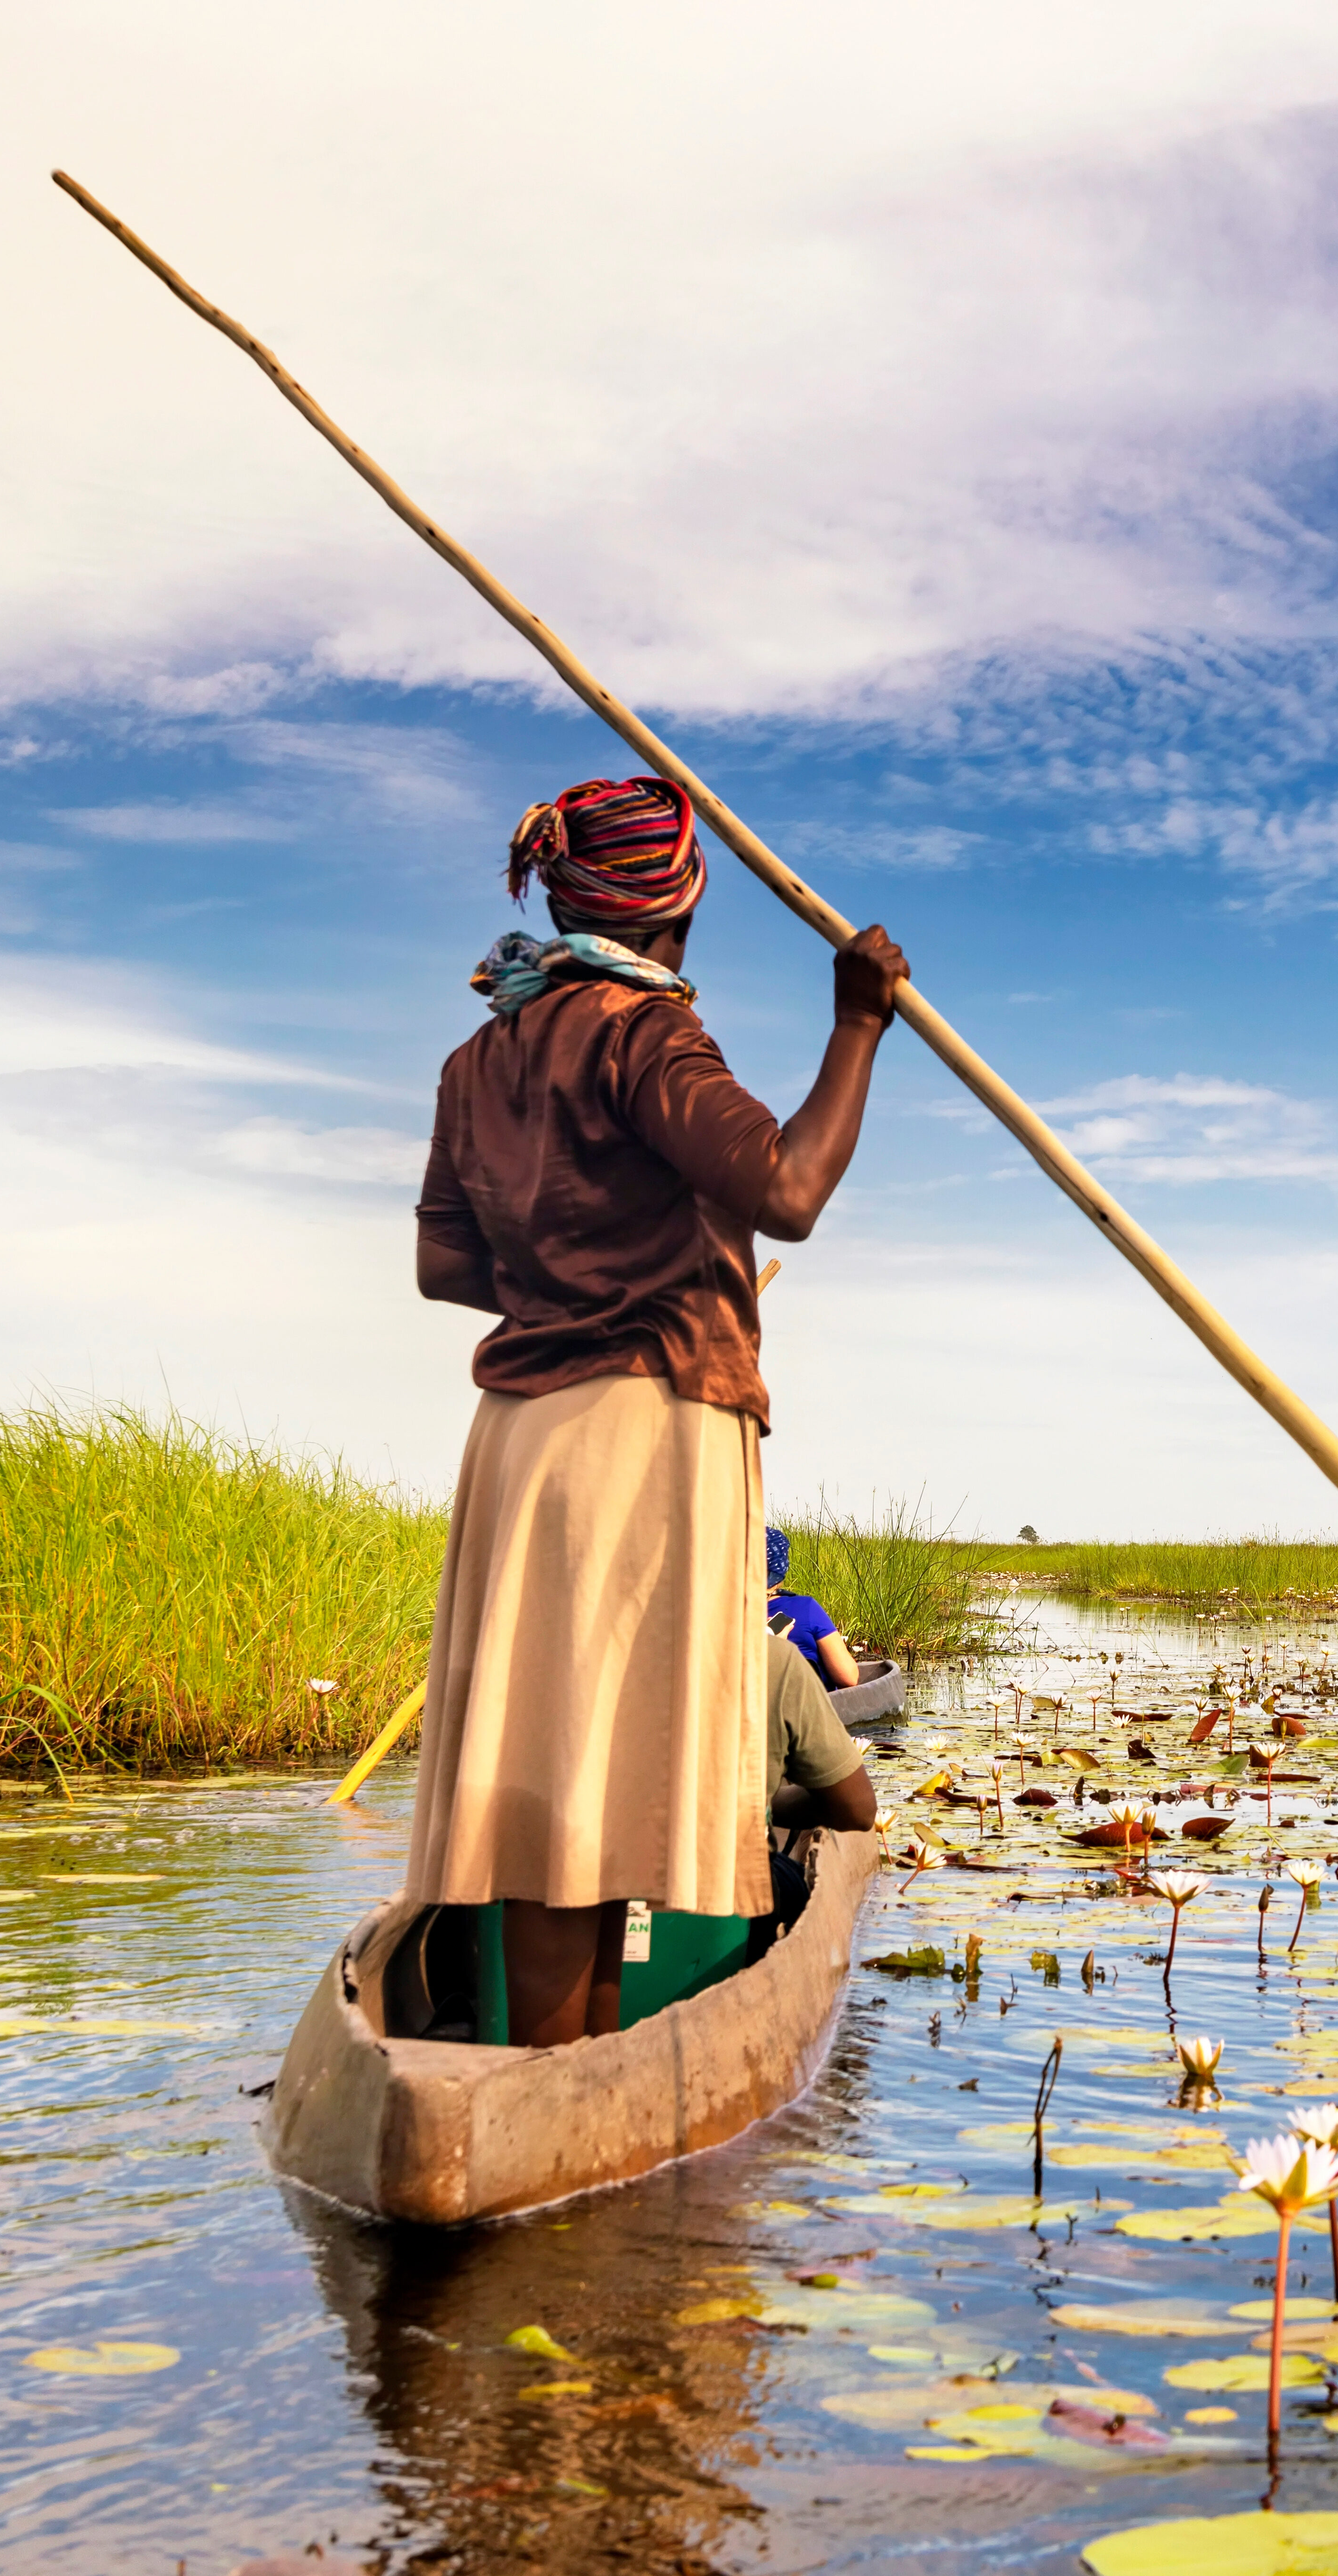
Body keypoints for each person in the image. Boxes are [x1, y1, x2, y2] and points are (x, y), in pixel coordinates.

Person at [401, 773, 897, 2049]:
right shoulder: (645, 1033)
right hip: (648, 1419)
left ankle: (558, 2072)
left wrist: (568, 1267)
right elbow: (786, 1190)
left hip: (524, 1440)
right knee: (606, 1785)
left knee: (556, 1772)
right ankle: (566, 2091)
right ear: (680, 896)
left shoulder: (482, 1056)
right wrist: (858, 1026)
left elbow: (447, 1268)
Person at [766, 1525, 859, 1692]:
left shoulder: (720, 1615)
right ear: (780, 1568)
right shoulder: (805, 1608)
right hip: (805, 1709)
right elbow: (849, 1678)